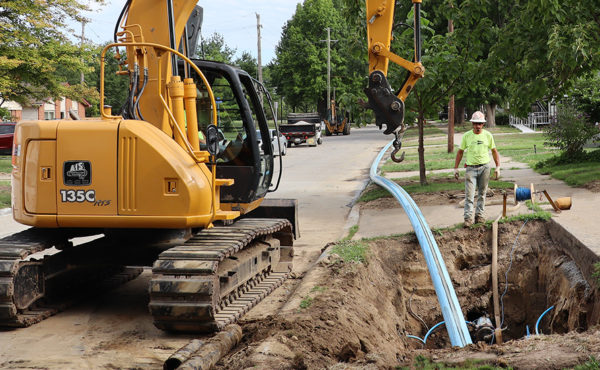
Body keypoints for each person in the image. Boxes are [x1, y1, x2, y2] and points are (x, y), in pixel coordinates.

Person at [453, 111, 501, 227]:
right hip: (471, 169)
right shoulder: (467, 136)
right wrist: (456, 168)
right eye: (475, 124)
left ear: (483, 124)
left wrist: (498, 167)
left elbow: (494, 151)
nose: (477, 126)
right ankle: (468, 219)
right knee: (469, 195)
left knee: (482, 193)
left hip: (485, 168)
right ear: (472, 124)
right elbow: (460, 152)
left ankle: (479, 216)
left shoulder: (488, 136)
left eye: (480, 124)